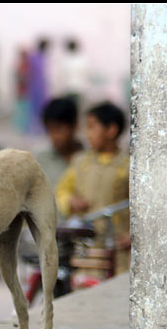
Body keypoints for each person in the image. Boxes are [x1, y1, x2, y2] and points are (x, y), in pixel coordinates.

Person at [55, 101, 130, 274]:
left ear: (111, 130)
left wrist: (132, 235)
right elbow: (62, 190)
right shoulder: (81, 162)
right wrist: (70, 202)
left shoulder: (127, 166)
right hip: (85, 248)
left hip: (116, 251)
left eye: (91, 127)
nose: (87, 134)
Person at [34, 97, 84, 188]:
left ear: (75, 125)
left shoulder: (91, 159)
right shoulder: (40, 162)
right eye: (49, 130)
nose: (53, 136)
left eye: (58, 129)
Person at [27, 39, 50, 135]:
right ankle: (34, 129)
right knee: (36, 109)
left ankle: (40, 129)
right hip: (36, 86)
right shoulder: (36, 58)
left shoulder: (38, 57)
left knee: (40, 109)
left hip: (38, 86)